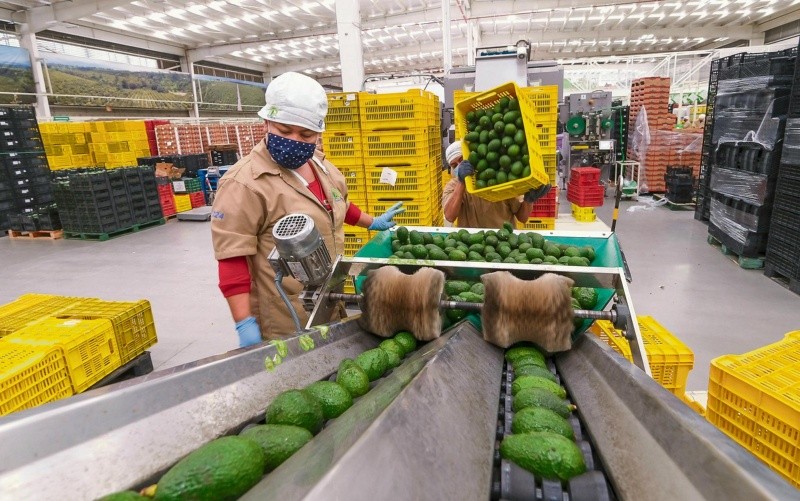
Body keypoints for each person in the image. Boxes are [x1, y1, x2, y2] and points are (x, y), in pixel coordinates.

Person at [211, 72, 404, 348]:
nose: (294, 140)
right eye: (284, 131)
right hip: (286, 314)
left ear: (318, 133)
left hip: (330, 298)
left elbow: (338, 205)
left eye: (306, 134)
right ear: (267, 123)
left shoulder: (322, 166)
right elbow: (232, 257)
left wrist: (372, 222)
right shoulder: (244, 183)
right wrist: (244, 322)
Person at [442, 141, 550, 228]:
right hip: (471, 244)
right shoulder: (452, 186)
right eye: (454, 165)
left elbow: (523, 218)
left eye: (462, 160)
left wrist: (528, 200)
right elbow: (450, 216)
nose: (460, 166)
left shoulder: (498, 179)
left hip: (503, 241)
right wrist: (461, 182)